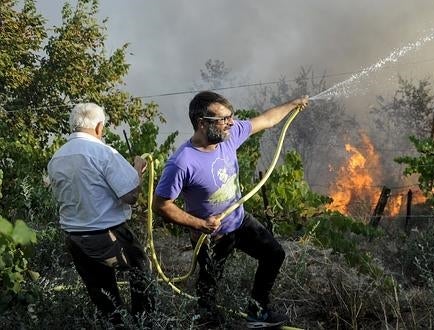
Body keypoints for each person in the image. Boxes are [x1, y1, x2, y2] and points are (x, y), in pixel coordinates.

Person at [153, 91, 308, 328]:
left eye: (231, 117)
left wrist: (293, 103)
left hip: (239, 221)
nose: (231, 123)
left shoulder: (229, 135)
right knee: (209, 285)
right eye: (224, 119)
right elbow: (161, 205)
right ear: (202, 123)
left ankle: (257, 312)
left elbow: (266, 120)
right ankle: (208, 322)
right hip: (210, 235)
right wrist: (199, 225)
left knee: (274, 254)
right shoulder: (182, 162)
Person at [47, 103, 155, 326]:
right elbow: (130, 196)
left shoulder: (56, 158)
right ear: (99, 127)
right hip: (108, 234)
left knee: (104, 297)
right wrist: (137, 171)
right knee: (141, 271)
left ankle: (116, 324)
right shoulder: (103, 152)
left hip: (75, 238)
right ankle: (145, 323)